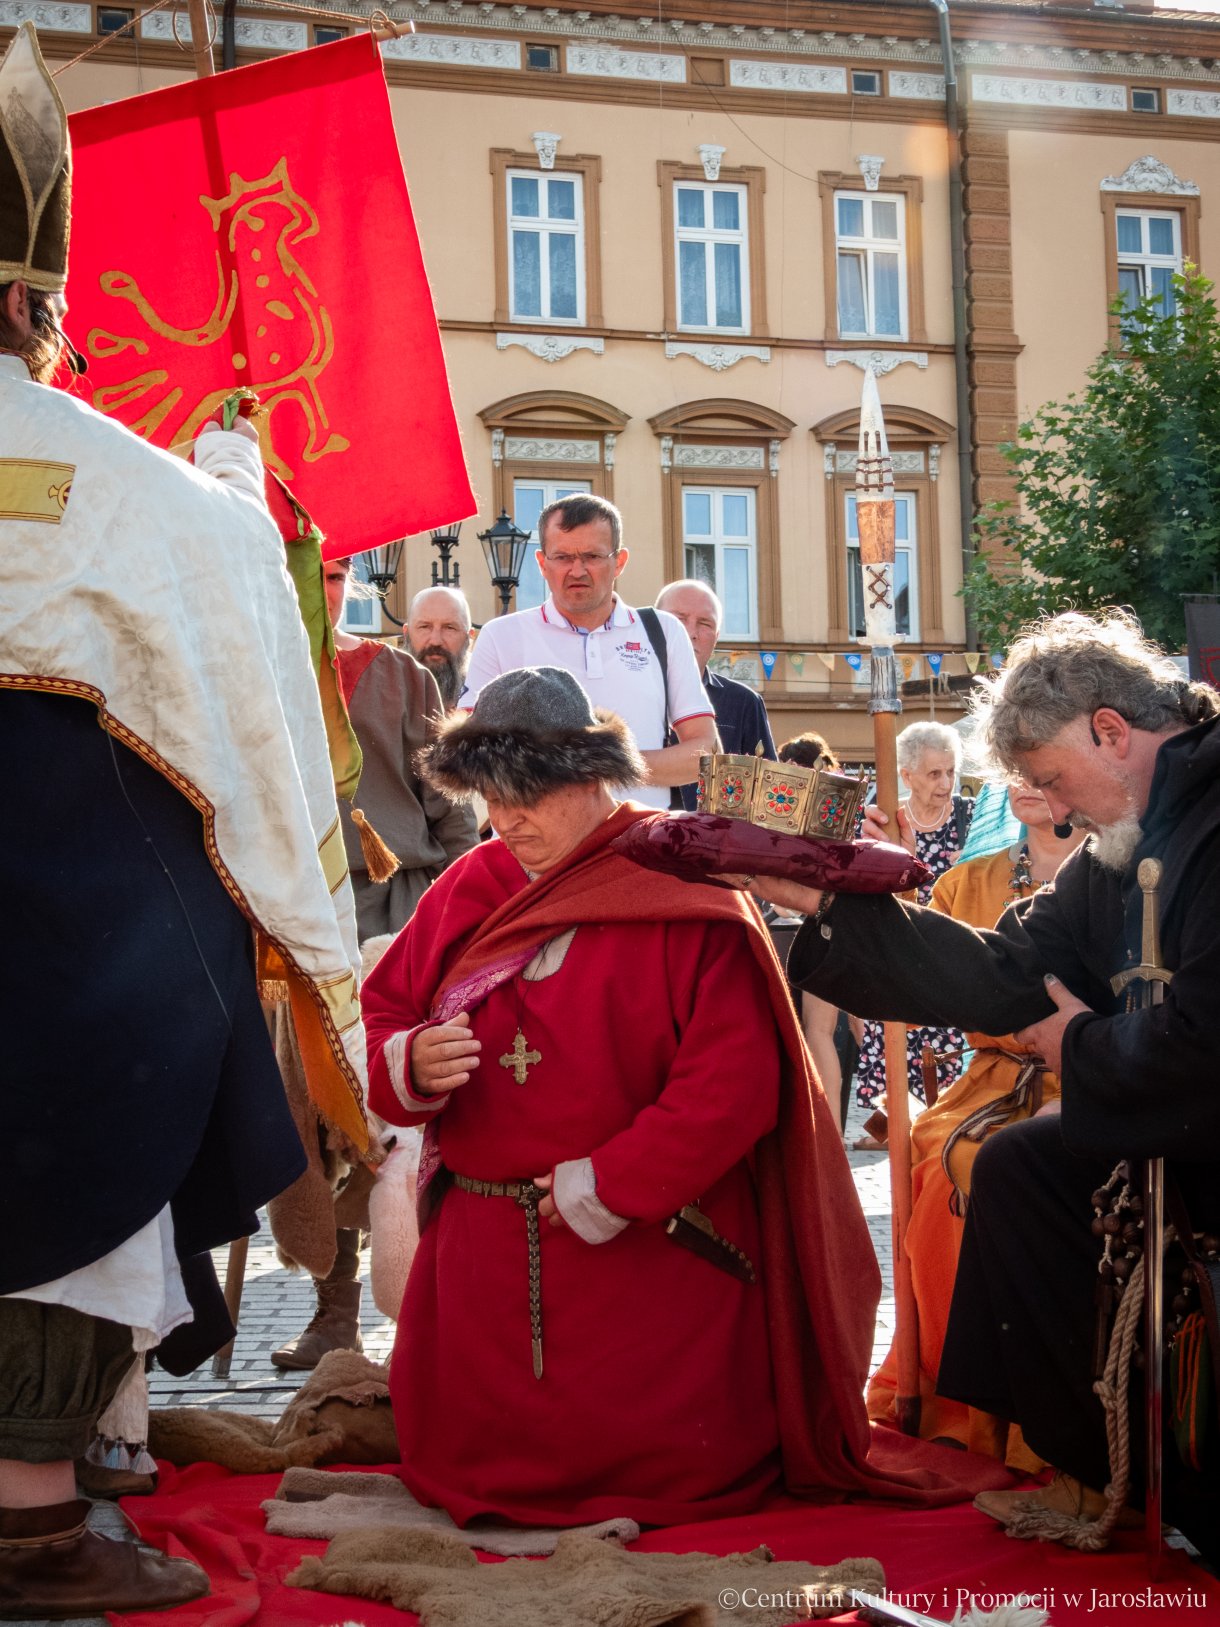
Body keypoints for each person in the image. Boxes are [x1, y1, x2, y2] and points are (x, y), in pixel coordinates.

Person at [0, 26, 368, 1615]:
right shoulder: (141, 491)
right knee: (66, 1180)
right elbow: (250, 717)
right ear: (36, 300)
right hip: (67, 951)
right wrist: (233, 484)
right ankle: (32, 1517)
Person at [359, 666, 1006, 1528]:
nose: (505, 818)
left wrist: (610, 1184)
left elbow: (733, 1085)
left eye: (527, 794)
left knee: (659, 1463)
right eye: (488, 794)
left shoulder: (683, 878)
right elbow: (383, 1014)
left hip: (646, 1267)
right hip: (480, 1284)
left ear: (591, 778)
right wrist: (409, 1061)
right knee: (462, 1461)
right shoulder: (471, 885)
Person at [771, 610, 1220, 1560]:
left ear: (1110, 729)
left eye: (1054, 780)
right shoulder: (1122, 841)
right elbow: (1010, 964)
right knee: (1019, 1167)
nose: (1056, 812)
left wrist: (1081, 1044)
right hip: (1174, 1110)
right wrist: (824, 902)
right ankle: (1106, 1468)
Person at [271, 560, 477, 1370]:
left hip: (397, 911)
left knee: (401, 1102)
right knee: (316, 1110)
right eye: (302, 569)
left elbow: (451, 808)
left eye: (332, 573)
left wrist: (463, 915)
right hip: (296, 915)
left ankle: (430, 1298)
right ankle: (335, 1310)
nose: (317, 587)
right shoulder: (258, 660)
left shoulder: (395, 672)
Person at [866, 783, 1085, 1463]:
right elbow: (915, 969)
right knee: (936, 1154)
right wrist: (886, 887)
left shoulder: (1125, 873)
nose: (1023, 779)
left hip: (1087, 1072)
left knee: (1012, 1165)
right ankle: (952, 1398)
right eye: (1011, 765)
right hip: (991, 1078)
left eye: (1038, 764)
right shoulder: (969, 881)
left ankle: (1038, 1426)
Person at [461, 494, 716, 808]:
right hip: (531, 848)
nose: (577, 570)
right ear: (542, 563)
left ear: (619, 562)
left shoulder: (664, 631)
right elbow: (468, 750)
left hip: (635, 846)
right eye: (563, 557)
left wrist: (609, 761)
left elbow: (705, 751)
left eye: (592, 556)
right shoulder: (501, 635)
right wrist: (572, 762)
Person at [851, 720, 973, 1146]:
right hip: (900, 944)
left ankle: (938, 1120)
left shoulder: (967, 817)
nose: (946, 783)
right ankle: (894, 1125)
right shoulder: (887, 816)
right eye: (934, 773)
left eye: (951, 772)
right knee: (894, 1035)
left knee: (946, 1039)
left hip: (951, 948)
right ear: (906, 776)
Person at [772, 732, 857, 1132]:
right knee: (821, 1035)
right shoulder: (838, 812)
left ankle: (813, 1138)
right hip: (832, 926)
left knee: (798, 1037)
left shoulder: (779, 809)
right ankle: (833, 1139)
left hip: (793, 930)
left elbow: (778, 900)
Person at [655, 577, 775, 811]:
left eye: (704, 623)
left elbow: (767, 792)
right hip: (634, 838)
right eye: (679, 620)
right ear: (654, 626)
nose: (691, 632)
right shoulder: (628, 690)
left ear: (716, 636)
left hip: (713, 842)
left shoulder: (743, 703)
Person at [404, 584, 472, 711]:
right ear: (406, 633)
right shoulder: (384, 694)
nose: (435, 641)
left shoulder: (486, 699)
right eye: (424, 627)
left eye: (449, 628)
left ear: (469, 638)